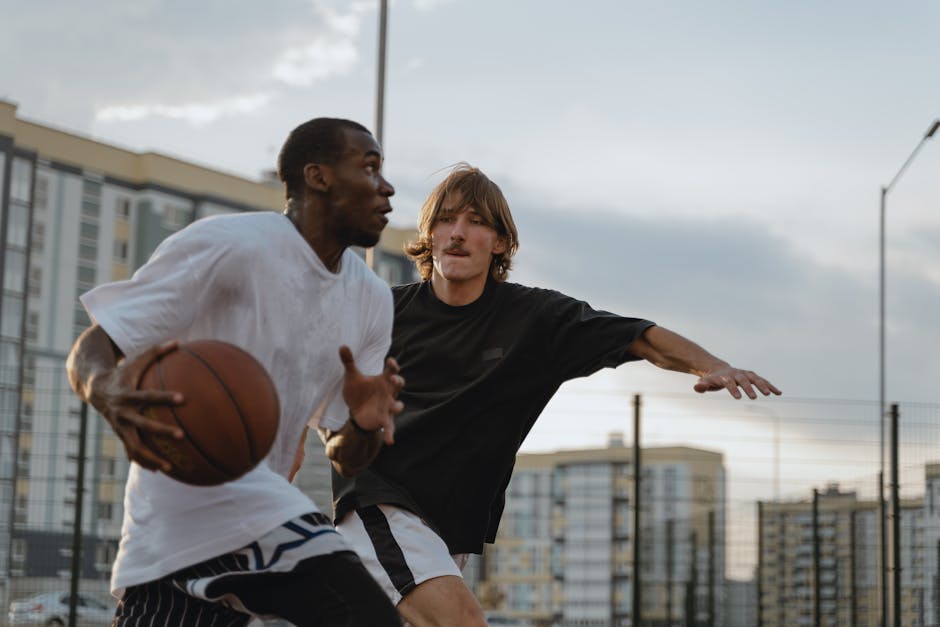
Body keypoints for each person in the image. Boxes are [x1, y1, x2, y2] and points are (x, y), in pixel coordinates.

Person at [330, 163, 782, 627]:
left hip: (446, 531)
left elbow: (641, 338)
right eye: (445, 220)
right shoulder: (383, 312)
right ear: (429, 233)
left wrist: (714, 366)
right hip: (379, 506)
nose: (457, 233)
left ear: (501, 242)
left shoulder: (534, 319)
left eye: (476, 222)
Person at [65, 117, 404, 626]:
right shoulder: (231, 245)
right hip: (183, 504)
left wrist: (363, 422)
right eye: (370, 167)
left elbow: (347, 458)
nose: (387, 186)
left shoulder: (372, 298)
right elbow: (94, 346)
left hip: (253, 509)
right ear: (318, 176)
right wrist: (108, 390)